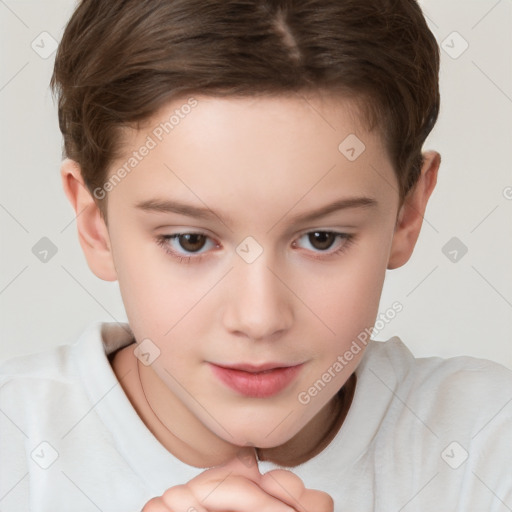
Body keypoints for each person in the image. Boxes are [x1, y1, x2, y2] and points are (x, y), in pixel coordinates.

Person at [1, 0, 511, 510]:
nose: (259, 318)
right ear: (97, 227)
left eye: (321, 239)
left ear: (407, 213)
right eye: (191, 241)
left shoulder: (488, 446)